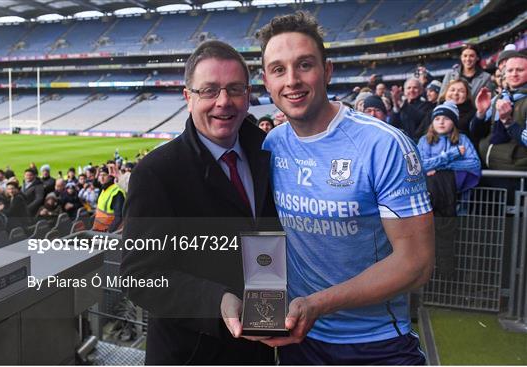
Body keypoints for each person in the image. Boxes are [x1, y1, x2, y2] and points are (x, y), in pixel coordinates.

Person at [257, 11, 434, 365]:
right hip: (299, 341)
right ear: (266, 81)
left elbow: (416, 263)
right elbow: (268, 236)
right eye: (278, 69)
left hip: (377, 344)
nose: (291, 80)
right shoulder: (271, 145)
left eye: (304, 65)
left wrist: (319, 304)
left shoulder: (383, 145)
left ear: (328, 71)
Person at [121, 40, 278, 365]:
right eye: (209, 90)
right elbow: (139, 276)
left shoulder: (267, 153)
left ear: (248, 94)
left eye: (235, 89)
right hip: (190, 355)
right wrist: (217, 301)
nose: (224, 101)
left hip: (257, 349)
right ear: (188, 97)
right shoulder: (156, 173)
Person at [417, 102, 481, 277]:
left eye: (446, 118)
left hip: (457, 198)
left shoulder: (463, 140)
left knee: (451, 239)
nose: (441, 122)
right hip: (431, 200)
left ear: (454, 121)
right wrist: (450, 156)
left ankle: (449, 278)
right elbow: (420, 165)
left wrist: (440, 167)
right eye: (437, 118)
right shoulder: (424, 141)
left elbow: (474, 164)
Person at [470, 53, 527, 169]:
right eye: (510, 70)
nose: (514, 74)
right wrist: (480, 113)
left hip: (516, 174)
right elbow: (476, 133)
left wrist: (508, 122)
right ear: (504, 74)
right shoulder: (498, 98)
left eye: (520, 70)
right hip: (489, 167)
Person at [92, 167, 125, 232]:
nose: (101, 178)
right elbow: (95, 183)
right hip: (98, 229)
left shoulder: (117, 193)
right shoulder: (104, 188)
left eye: (104, 175)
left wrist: (108, 233)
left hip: (106, 233)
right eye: (100, 175)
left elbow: (119, 218)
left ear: (110, 177)